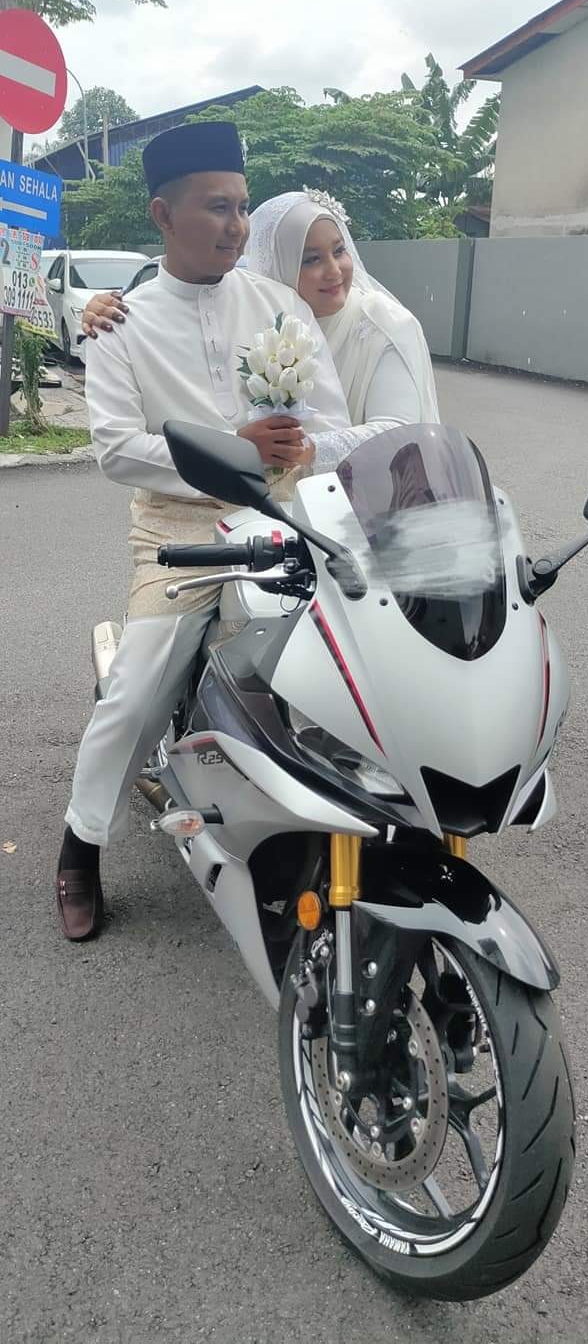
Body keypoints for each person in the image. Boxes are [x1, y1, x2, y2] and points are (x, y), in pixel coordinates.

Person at [56, 120, 379, 944]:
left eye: (241, 206)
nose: (236, 225)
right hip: (180, 529)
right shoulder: (119, 323)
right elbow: (115, 450)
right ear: (163, 215)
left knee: (360, 646)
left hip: (286, 515)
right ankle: (80, 844)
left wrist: (303, 447)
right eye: (215, 208)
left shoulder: (277, 305)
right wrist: (234, 447)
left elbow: (328, 421)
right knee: (138, 686)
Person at [82, 191, 440, 428]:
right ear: (279, 265)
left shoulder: (383, 323)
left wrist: (295, 452)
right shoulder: (258, 316)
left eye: (339, 251)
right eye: (311, 259)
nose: (334, 271)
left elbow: (396, 432)